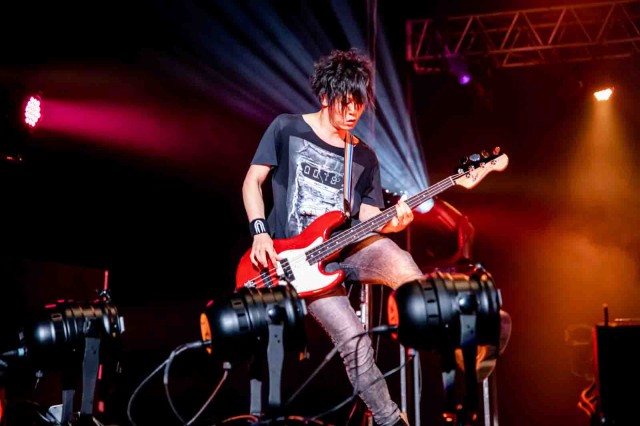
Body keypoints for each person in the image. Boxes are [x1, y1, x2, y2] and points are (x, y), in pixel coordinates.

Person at [241, 47, 509, 426]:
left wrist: (395, 223)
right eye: (346, 102)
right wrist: (260, 233)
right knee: (355, 342)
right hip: (294, 264)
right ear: (325, 97)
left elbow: (369, 218)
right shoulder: (286, 128)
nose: (354, 111)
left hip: (348, 246)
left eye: (360, 103)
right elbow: (253, 181)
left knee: (400, 261)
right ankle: (389, 420)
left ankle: (472, 335)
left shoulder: (364, 156)